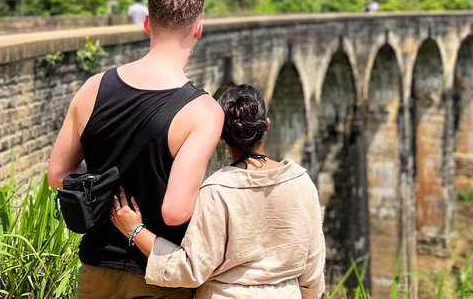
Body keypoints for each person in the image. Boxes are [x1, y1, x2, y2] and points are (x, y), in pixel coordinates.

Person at [47, 0, 224, 298]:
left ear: (146, 23)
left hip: (96, 269)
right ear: (197, 28)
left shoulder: (94, 87)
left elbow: (57, 176)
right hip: (158, 276)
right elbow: (175, 211)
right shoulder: (202, 111)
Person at [110, 84, 326, 299]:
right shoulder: (301, 181)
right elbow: (313, 267)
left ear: (222, 136)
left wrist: (135, 230)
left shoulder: (217, 189)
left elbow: (191, 269)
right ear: (266, 125)